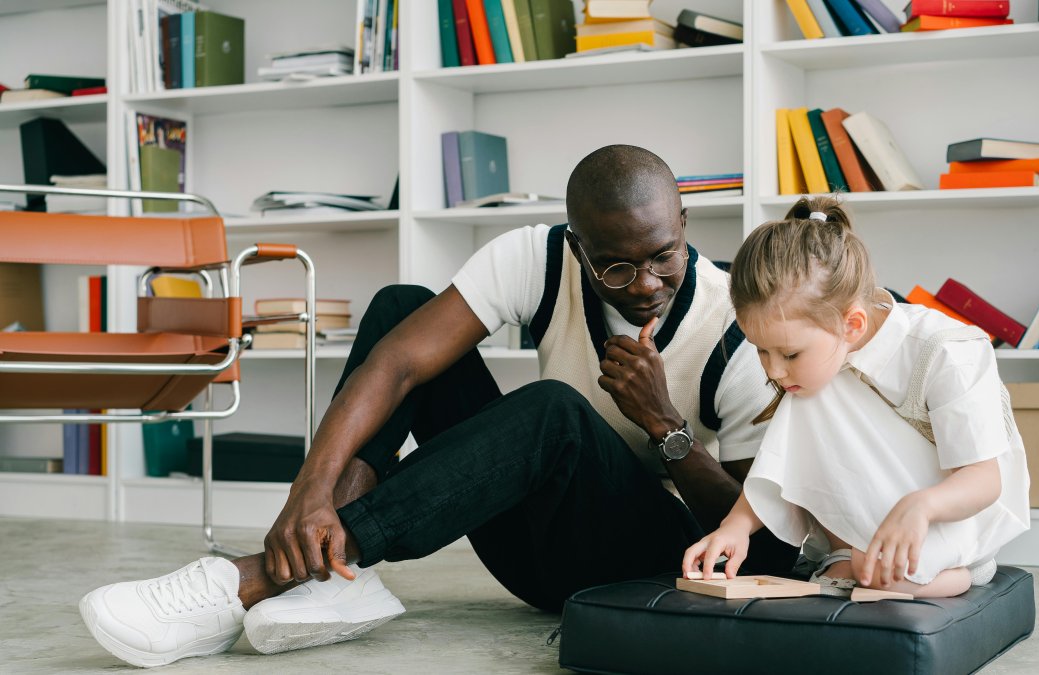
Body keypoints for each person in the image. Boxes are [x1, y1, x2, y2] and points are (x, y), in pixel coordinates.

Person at [79, 145, 795, 668]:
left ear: (684, 224)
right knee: (402, 311)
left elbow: (758, 549)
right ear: (577, 246)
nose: (644, 284)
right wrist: (308, 493)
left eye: (664, 255)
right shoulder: (536, 259)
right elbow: (395, 365)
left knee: (553, 413)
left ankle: (254, 578)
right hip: (530, 550)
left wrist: (664, 424)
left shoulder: (735, 328)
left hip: (643, 566)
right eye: (615, 264)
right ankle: (330, 568)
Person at [682, 195, 1031, 598]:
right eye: (762, 350)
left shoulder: (948, 351)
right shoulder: (813, 362)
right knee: (809, 389)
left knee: (875, 568)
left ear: (853, 324)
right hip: (872, 523)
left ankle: (969, 570)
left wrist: (922, 506)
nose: (773, 370)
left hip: (953, 513)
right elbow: (780, 461)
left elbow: (985, 480)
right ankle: (848, 551)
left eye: (789, 353)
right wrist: (736, 526)